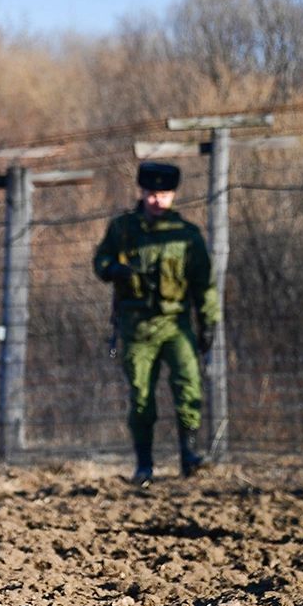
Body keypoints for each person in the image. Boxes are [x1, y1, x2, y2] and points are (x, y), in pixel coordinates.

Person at [93, 161, 220, 486]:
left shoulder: (187, 235)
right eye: (151, 194)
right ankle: (144, 465)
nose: (157, 201)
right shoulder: (123, 229)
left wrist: (209, 323)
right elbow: (100, 260)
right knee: (141, 395)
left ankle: (189, 456)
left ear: (173, 195)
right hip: (136, 325)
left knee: (189, 383)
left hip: (175, 322)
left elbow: (204, 282)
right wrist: (113, 270)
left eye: (163, 195)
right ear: (142, 192)